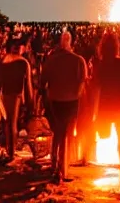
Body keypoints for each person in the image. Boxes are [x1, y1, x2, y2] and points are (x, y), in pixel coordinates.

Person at [92, 31, 120, 194]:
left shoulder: (100, 66)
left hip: (106, 109)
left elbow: (95, 89)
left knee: (103, 136)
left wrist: (94, 114)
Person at [41, 31, 87, 182]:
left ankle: (55, 165)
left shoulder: (51, 60)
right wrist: (76, 94)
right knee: (66, 135)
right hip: (72, 101)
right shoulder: (79, 60)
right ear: (71, 42)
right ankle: (62, 170)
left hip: (55, 100)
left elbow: (43, 83)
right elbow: (82, 82)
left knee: (57, 133)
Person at [0, 38, 33, 162]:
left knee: (7, 123)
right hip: (16, 94)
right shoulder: (23, 63)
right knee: (12, 123)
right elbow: (28, 84)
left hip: (5, 93)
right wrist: (30, 102)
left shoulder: (4, 60)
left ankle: (8, 150)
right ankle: (11, 153)